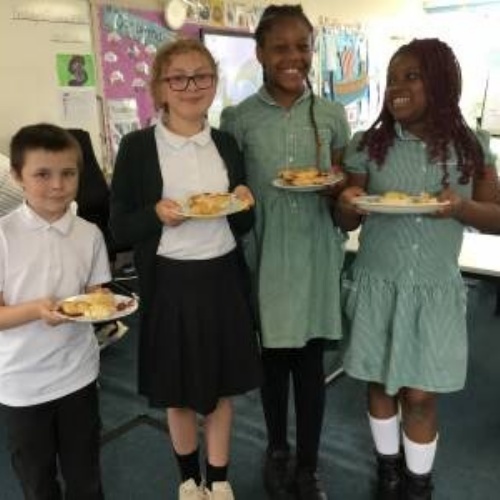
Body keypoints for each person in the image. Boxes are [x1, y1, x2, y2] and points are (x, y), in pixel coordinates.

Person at [335, 38, 500, 500]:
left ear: (442, 84)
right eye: (392, 79)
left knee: (421, 395)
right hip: (377, 284)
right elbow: (346, 219)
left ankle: (418, 483)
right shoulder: (369, 145)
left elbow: (496, 217)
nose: (397, 88)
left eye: (411, 76)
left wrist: (462, 208)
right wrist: (346, 203)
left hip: (434, 290)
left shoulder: (472, 148)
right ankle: (387, 470)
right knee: (380, 382)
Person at [109, 39, 262, 500]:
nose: (191, 86)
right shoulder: (138, 147)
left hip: (223, 278)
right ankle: (189, 480)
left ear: (214, 83)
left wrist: (245, 201)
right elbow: (119, 227)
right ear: (160, 88)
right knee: (176, 391)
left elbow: (242, 223)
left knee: (220, 388)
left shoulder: (225, 143)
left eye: (202, 76)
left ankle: (218, 479)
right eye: (178, 77)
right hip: (170, 281)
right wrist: (156, 214)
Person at [220, 5, 350, 500]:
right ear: (259, 53)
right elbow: (233, 193)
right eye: (280, 48)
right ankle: (277, 450)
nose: (294, 57)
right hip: (267, 258)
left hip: (316, 256)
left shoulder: (332, 115)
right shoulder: (239, 119)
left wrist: (336, 188)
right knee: (273, 365)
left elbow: (342, 185)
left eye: (303, 47)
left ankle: (309, 465)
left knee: (311, 368)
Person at [0, 123, 111, 499]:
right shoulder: (3, 235)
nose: (58, 185)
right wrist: (35, 310)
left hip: (78, 374)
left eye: (68, 173)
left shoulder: (89, 234)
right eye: (42, 174)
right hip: (22, 383)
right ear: (17, 176)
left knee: (86, 477)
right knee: (38, 481)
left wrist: (103, 302)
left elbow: (95, 294)